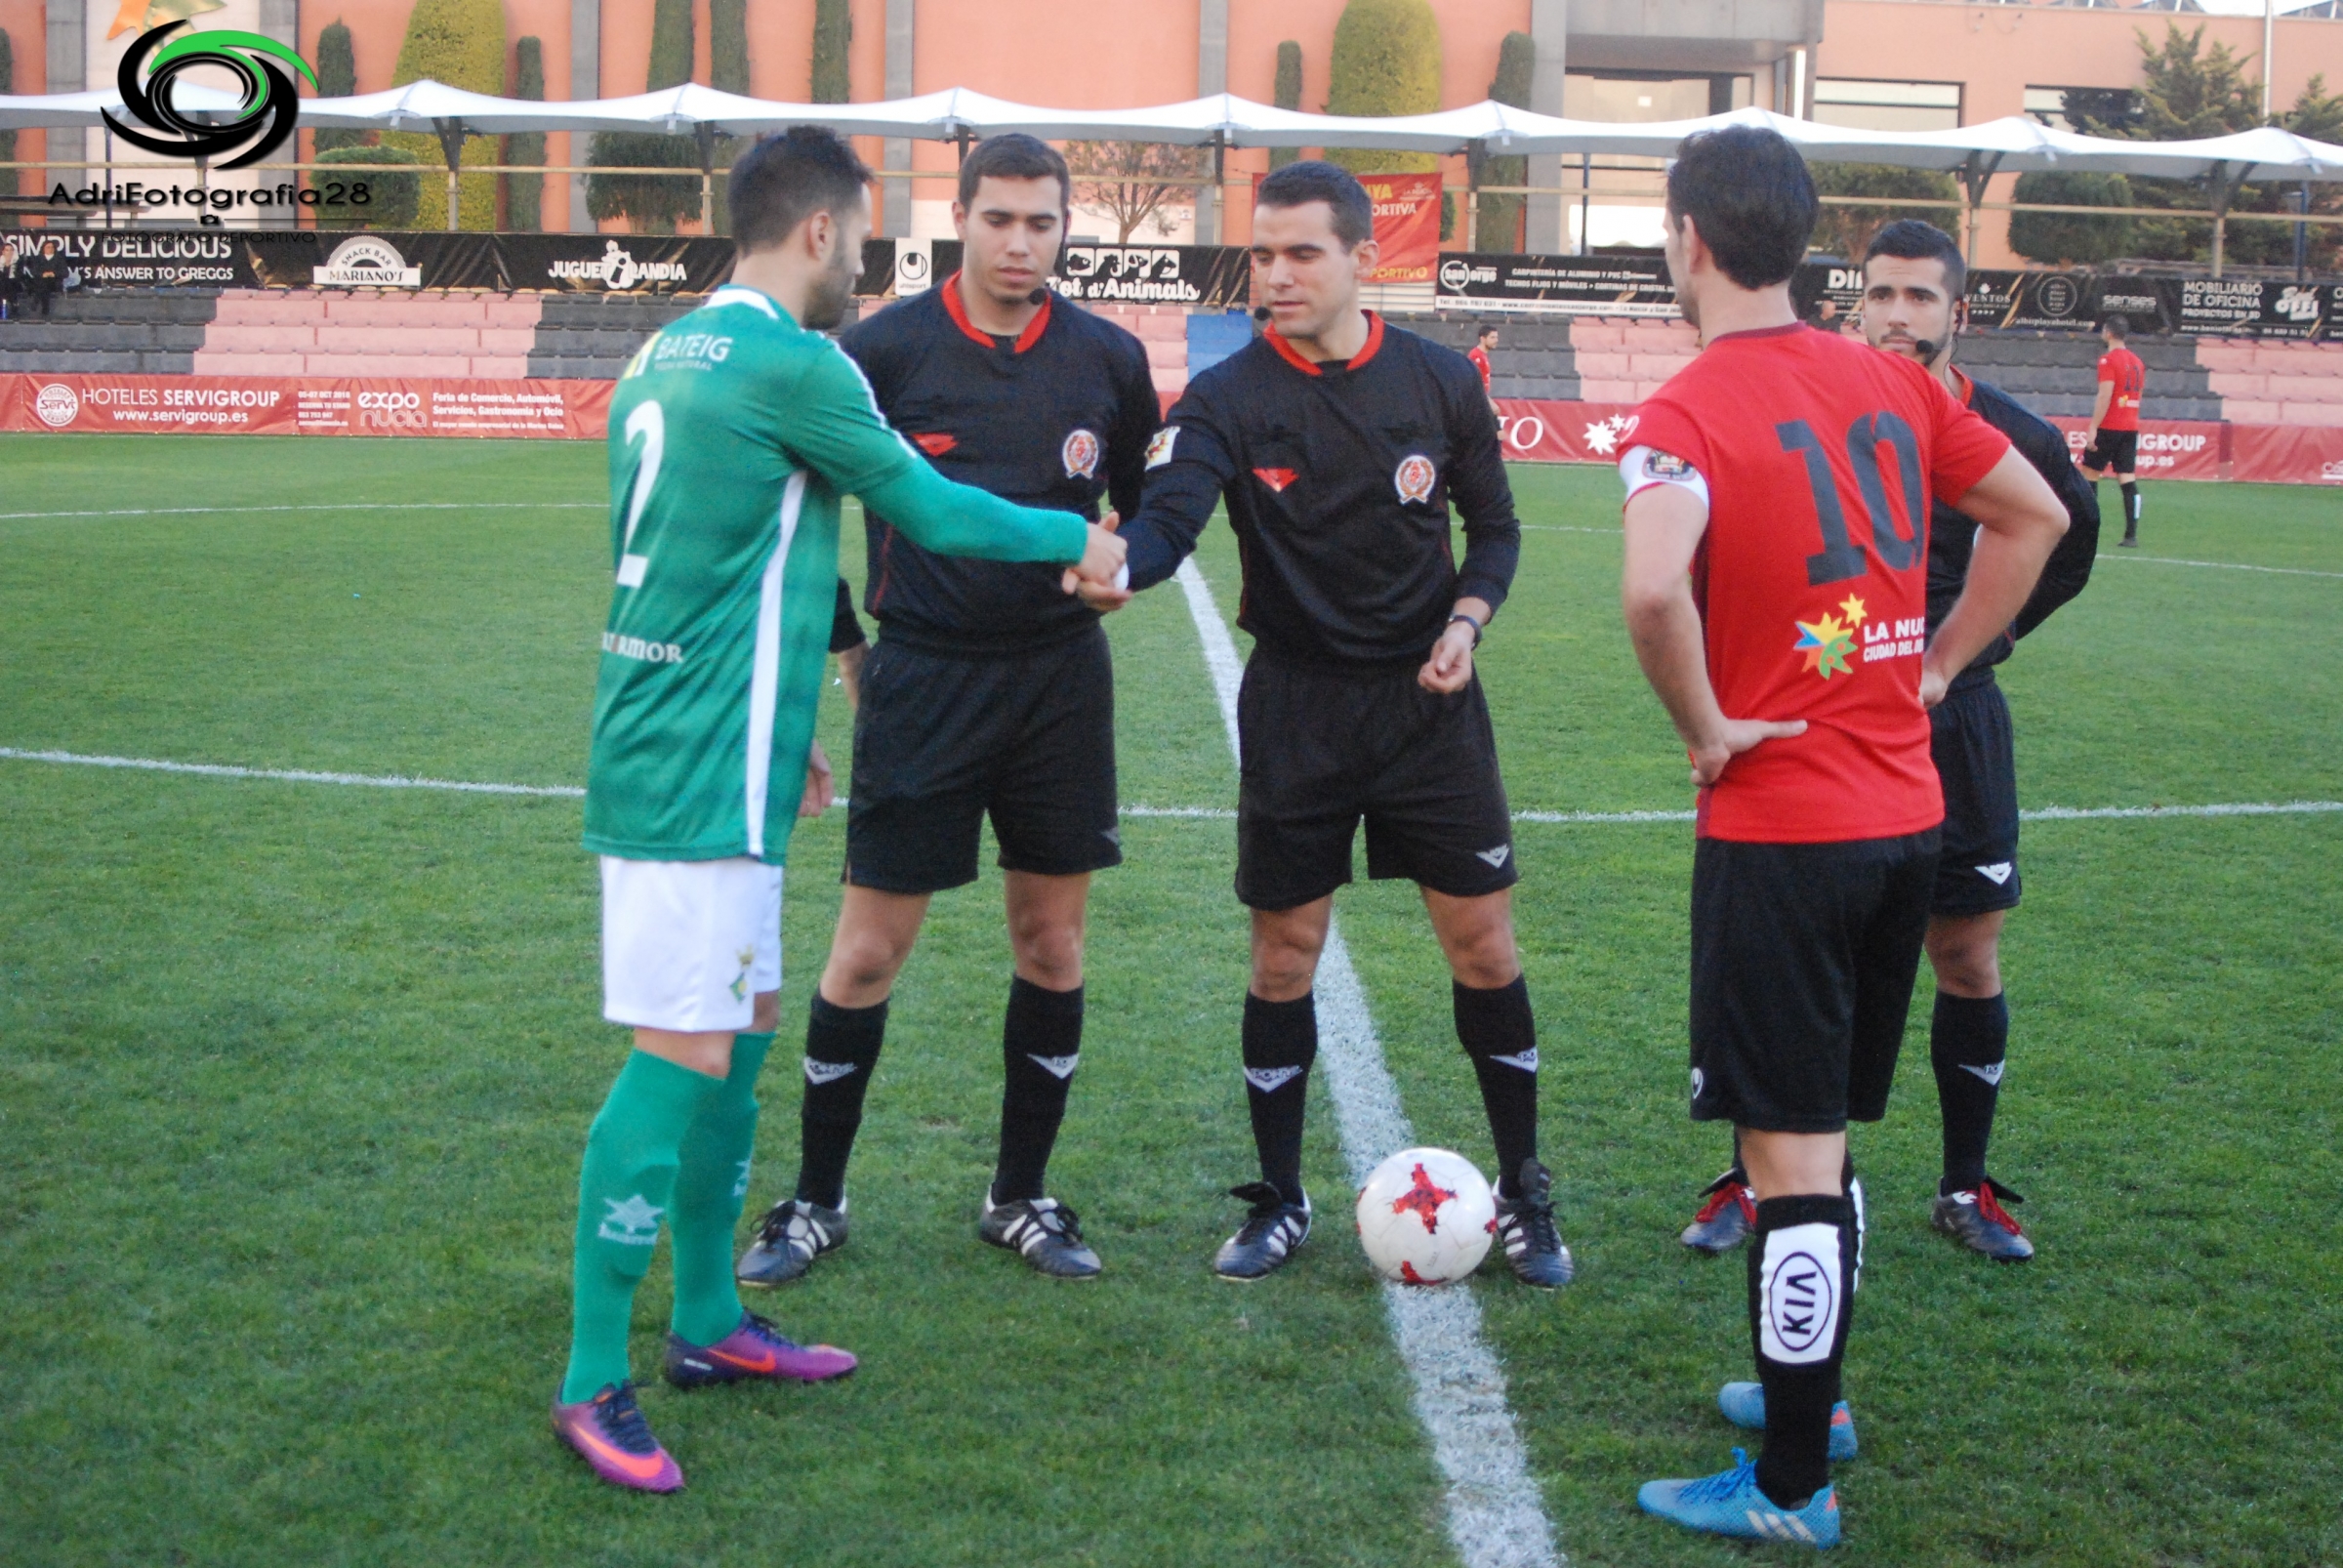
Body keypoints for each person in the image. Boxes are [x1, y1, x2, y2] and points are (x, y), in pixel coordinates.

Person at [556, 125, 1126, 1494]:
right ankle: (590, 1377)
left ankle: (709, 1320)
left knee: (743, 1036)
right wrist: (1076, 534)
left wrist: (786, 727)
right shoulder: (797, 360)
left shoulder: (671, 349)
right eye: (861, 235)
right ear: (818, 230)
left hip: (724, 750)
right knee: (679, 1055)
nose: (865, 261)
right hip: (687, 769)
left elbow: (723, 557)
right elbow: (932, 509)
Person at [1619, 128, 2066, 1547]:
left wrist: (1704, 725)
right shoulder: (1892, 378)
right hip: (1905, 818)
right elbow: (2037, 512)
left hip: (1784, 830)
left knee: (1790, 1157)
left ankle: (1793, 1486)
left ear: (1689, 239)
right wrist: (1936, 664)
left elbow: (1651, 590)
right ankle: (1810, 1401)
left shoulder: (1683, 407)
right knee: (1819, 1134)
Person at [1093, 160, 1571, 1289]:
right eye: (1262, 253)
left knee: (1484, 946)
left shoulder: (1441, 381)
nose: (1276, 274)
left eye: (1302, 252)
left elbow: (1496, 530)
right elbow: (1169, 519)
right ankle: (1279, 1196)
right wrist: (1114, 562)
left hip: (1429, 706)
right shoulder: (1226, 396)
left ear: (1363, 258)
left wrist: (1467, 620)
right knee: (1282, 956)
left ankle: (1526, 1190)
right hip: (1298, 708)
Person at [732, 133, 1160, 1288]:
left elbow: (1143, 503)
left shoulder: (1109, 359)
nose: (1021, 242)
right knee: (868, 951)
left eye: (1042, 222)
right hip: (921, 679)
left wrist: (1125, 562)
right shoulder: (878, 351)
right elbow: (796, 515)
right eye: (999, 219)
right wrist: (848, 652)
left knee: (1052, 942)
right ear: (958, 218)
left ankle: (1019, 1195)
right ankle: (814, 1200)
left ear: (1065, 230)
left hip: (1059, 681)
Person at [1678, 220, 2101, 1265]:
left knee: (1966, 953)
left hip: (1954, 720)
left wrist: (1972, 647)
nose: (1897, 315)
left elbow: (2065, 537)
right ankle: (1762, 1175)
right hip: (1820, 714)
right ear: (1853, 304)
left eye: (1919, 297)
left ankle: (1965, 1186)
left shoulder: (2010, 432)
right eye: (1880, 294)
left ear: (1960, 312)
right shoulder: (1817, 406)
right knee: (1795, 963)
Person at [2081, 313, 2145, 547]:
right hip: (2130, 427)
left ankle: (2087, 531)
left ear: (2108, 333)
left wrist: (2093, 427)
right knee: (2127, 478)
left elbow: (2105, 395)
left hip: (2109, 426)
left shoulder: (2107, 361)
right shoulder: (2137, 362)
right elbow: (2138, 395)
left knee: (2089, 475)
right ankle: (2131, 535)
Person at [1467, 322, 1500, 415]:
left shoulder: (1482, 355)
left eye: (1496, 337)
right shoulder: (1476, 356)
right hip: (1476, 398)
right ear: (1482, 339)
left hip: (1481, 397)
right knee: (1495, 411)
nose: (1496, 340)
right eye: (1492, 337)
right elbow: (1472, 381)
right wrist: (1486, 400)